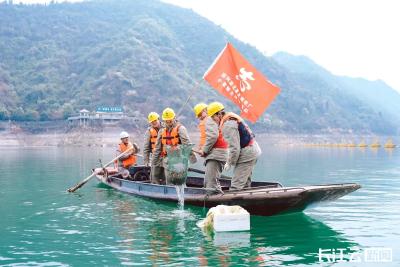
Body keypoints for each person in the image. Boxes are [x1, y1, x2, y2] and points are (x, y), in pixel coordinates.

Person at [208, 102, 261, 190]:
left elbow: (234, 148)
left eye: (213, 118)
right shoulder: (231, 119)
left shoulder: (228, 125)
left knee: (236, 186)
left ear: (219, 114)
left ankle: (231, 203)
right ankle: (246, 202)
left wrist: (229, 162)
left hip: (247, 154)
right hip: (252, 150)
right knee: (245, 184)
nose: (214, 120)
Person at [151, 107, 197, 185]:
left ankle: (183, 195)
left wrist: (192, 158)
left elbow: (187, 145)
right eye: (166, 121)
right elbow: (157, 148)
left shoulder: (181, 129)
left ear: (174, 118)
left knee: (180, 182)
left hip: (179, 161)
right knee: (170, 183)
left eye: (170, 120)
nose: (168, 122)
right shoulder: (162, 131)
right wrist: (154, 162)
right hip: (167, 161)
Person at [198, 102, 229, 193]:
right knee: (211, 181)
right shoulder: (222, 121)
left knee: (211, 184)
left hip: (216, 155)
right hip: (220, 154)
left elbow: (212, 137)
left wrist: (204, 150)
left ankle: (212, 201)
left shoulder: (210, 121)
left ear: (217, 114)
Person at [143, 112, 165, 184]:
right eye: (152, 122)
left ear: (158, 119)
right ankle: (155, 187)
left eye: (155, 120)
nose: (154, 123)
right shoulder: (149, 132)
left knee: (166, 175)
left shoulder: (166, 127)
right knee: (155, 175)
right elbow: (146, 147)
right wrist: (146, 160)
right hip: (156, 156)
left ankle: (167, 188)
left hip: (166, 156)